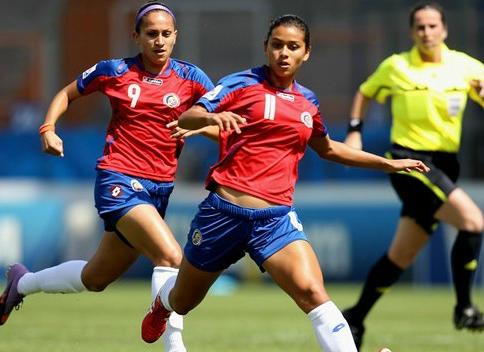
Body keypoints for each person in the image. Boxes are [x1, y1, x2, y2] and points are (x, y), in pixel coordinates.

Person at [140, 14, 429, 351]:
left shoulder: (308, 102)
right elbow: (188, 116)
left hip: (275, 220)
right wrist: (211, 116)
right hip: (223, 214)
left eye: (293, 47)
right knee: (184, 300)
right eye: (277, 45)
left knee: (313, 293)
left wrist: (388, 164)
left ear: (306, 53)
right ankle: (163, 305)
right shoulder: (241, 83)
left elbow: (330, 148)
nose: (283, 53)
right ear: (266, 47)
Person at [0, 2, 214, 351]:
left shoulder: (192, 78)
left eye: (165, 34)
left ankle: (21, 284)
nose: (159, 41)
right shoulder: (114, 71)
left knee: (96, 278)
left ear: (176, 37)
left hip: (159, 189)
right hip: (119, 180)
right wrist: (48, 128)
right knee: (172, 256)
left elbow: (224, 127)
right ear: (136, 36)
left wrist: (202, 127)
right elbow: (67, 93)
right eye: (151, 34)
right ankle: (174, 344)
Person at [342, 2, 484, 349]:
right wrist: (355, 130)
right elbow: (365, 91)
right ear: (412, 32)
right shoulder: (397, 66)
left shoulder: (466, 66)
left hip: (445, 165)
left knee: (400, 256)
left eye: (433, 26)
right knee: (473, 222)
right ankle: (464, 306)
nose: (427, 32)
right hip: (408, 162)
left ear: (444, 30)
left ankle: (354, 318)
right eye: (420, 27)